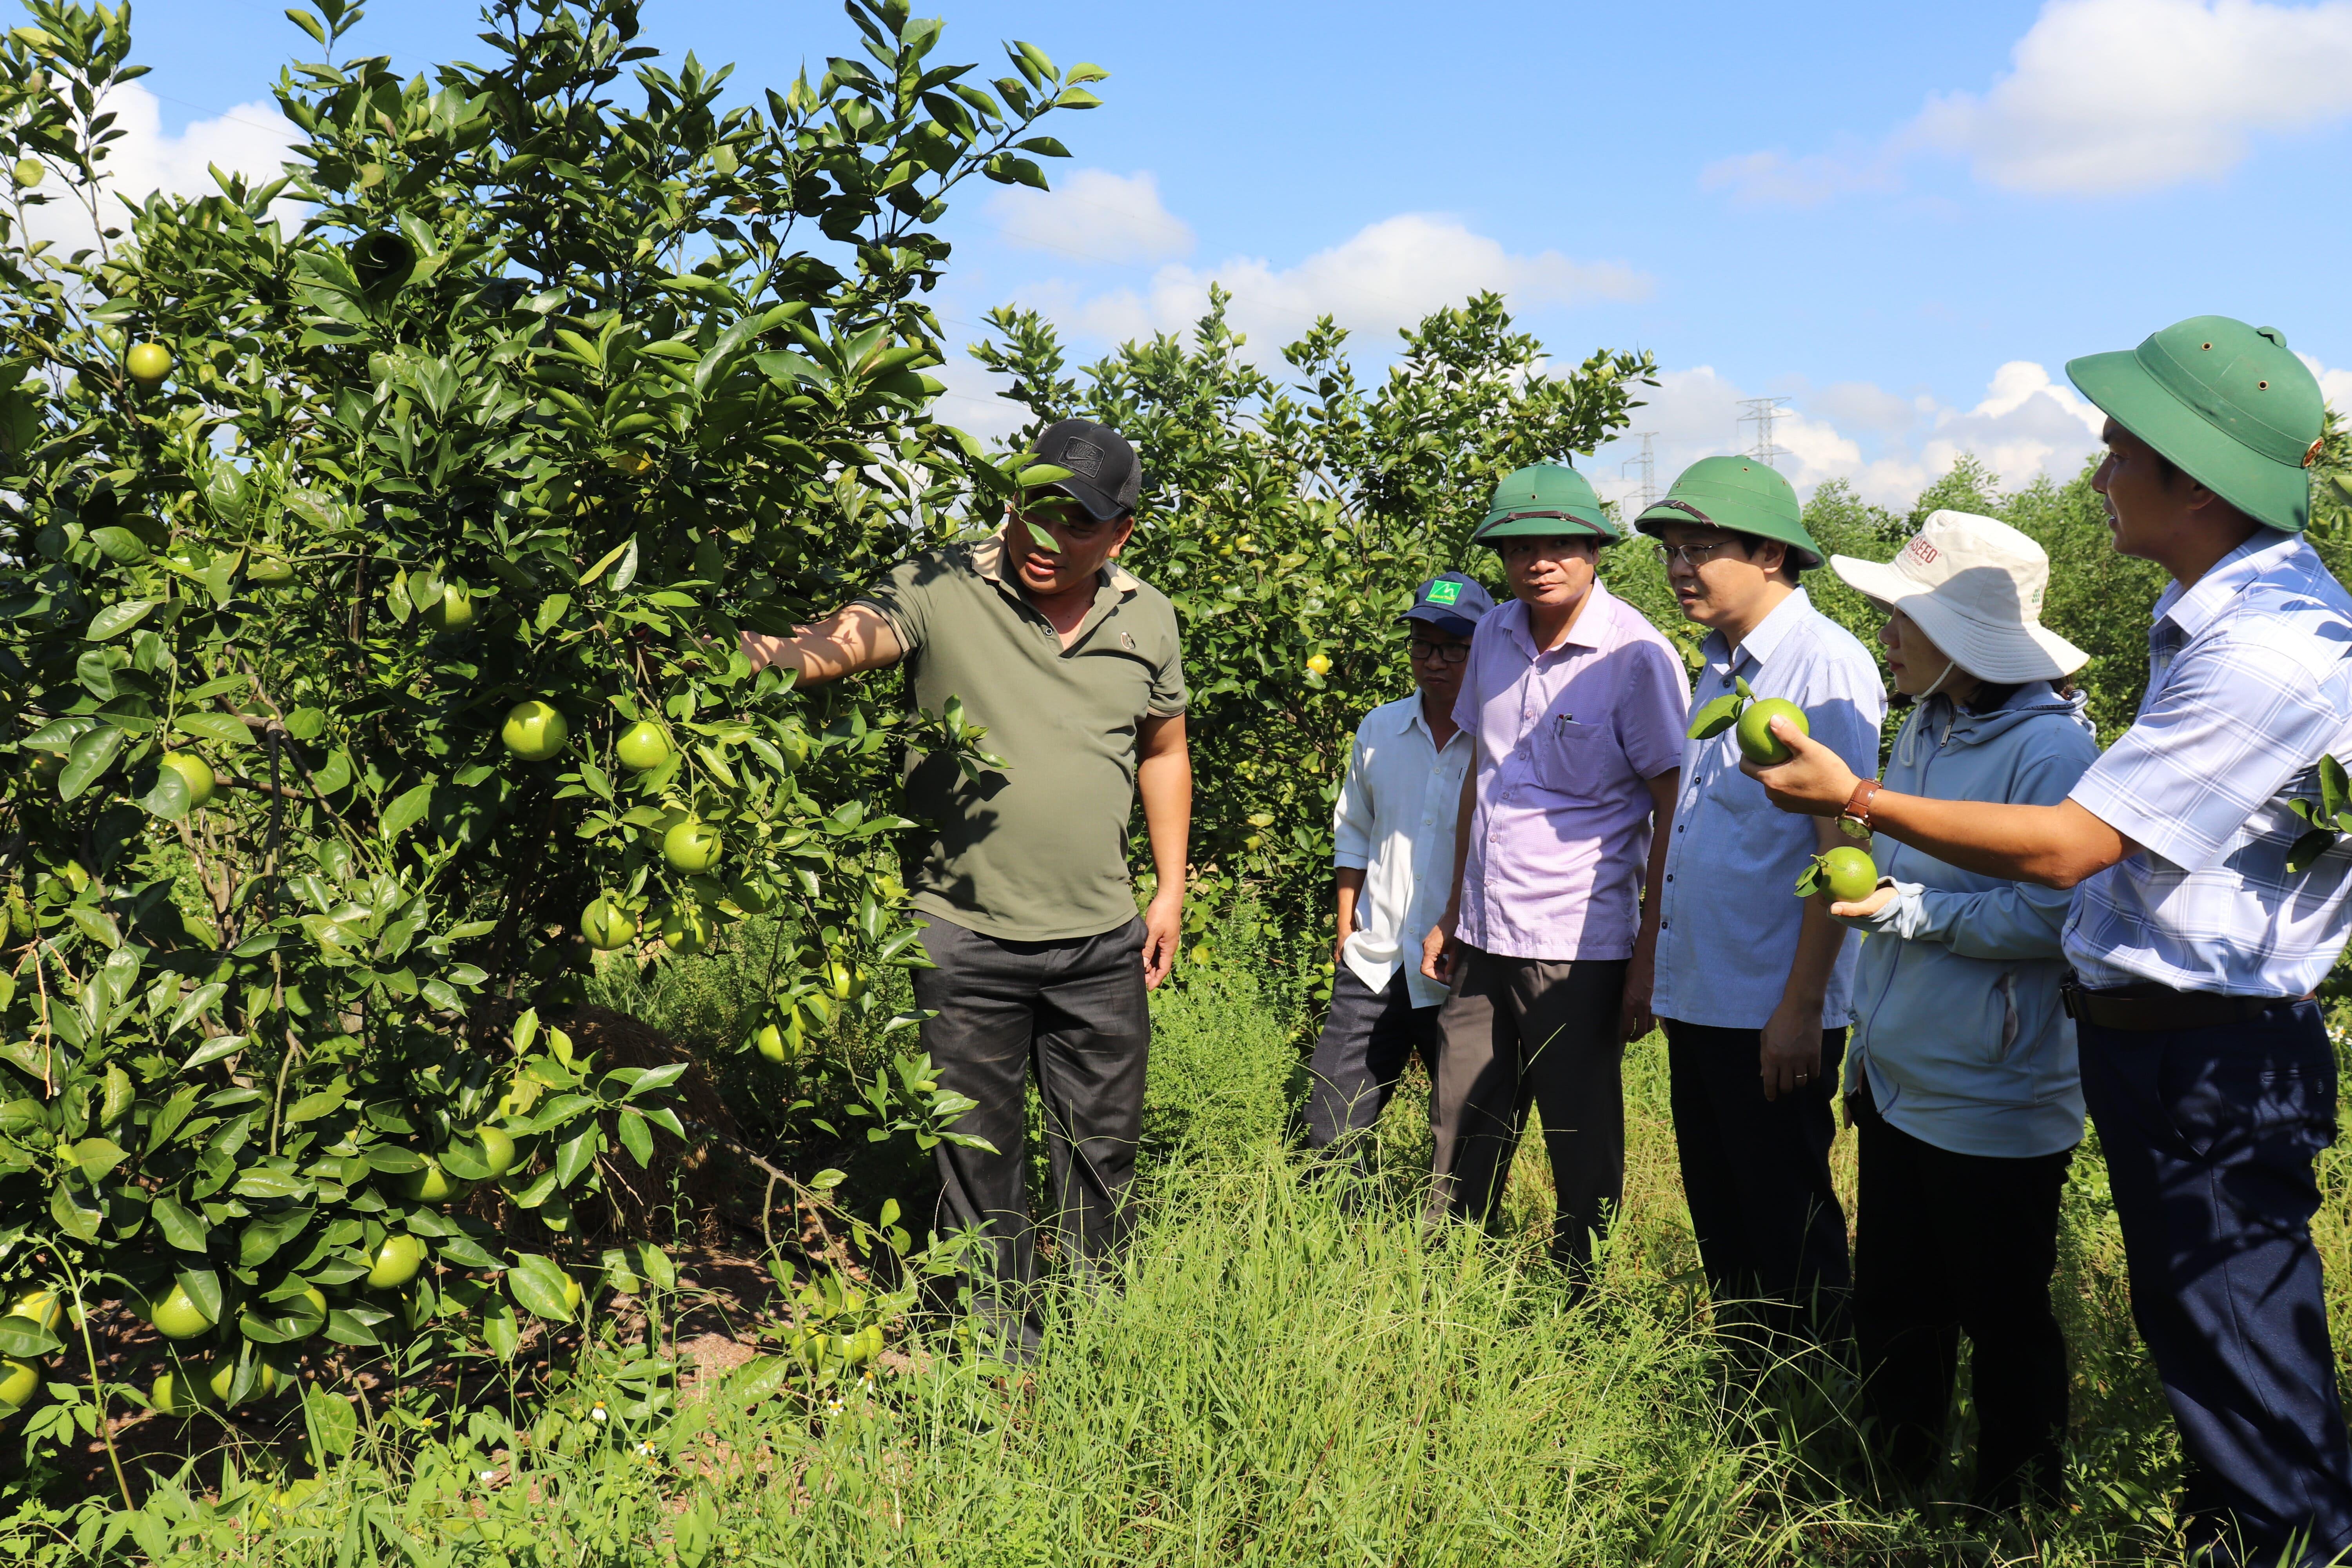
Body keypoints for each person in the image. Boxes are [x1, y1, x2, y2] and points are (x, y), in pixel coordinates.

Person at [1742, 317, 2352, 1565]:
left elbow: (2073, 853)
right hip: (2159, 1043)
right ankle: (2241, 1531)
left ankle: (2287, 1541)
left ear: (2194, 478)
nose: (2098, 473)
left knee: (2234, 1339)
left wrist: (1852, 803)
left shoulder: (2267, 649)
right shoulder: (2208, 623)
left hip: (2210, 1050)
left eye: (2119, 448)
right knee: (2200, 1330)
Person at [735, 418, 1191, 1363]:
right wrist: (758, 655)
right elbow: (847, 638)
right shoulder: (944, 581)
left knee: (1099, 1152)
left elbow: (1164, 749)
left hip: (1100, 936)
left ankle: (1099, 1332)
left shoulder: (1148, 616)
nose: (1044, 536)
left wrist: (1169, 890)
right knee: (978, 1159)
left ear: (1121, 535)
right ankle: (1003, 1355)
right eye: (1034, 506)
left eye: (1077, 521)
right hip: (964, 935)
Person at [1821, 510, 2099, 1509]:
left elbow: (2057, 912)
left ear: (1965, 641)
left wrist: (1908, 910)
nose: (1887, 632)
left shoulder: (2053, 756)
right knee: (1898, 1301)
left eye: (1903, 616)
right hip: (1899, 1077)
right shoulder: (1924, 724)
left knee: (2004, 1312)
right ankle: (1894, 1479)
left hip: (1993, 1093)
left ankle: (2016, 1504)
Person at [1633, 456, 1886, 1357]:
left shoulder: (1827, 667)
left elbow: (1844, 847)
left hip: (1772, 1004)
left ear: (1772, 552)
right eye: (1671, 550)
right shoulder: (1719, 669)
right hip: (1707, 994)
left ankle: (1816, 1403)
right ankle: (1748, 1394)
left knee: (1788, 1218)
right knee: (1725, 1219)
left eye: (1701, 548)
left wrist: (1802, 1006)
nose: (1679, 568)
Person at [1418, 464, 1688, 1285]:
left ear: (1595, 549)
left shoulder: (1637, 655)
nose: (1540, 560)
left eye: (1560, 543)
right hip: (1484, 929)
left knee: (1579, 1132)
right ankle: (1446, 1279)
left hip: (1579, 940)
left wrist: (1649, 949)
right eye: (1521, 546)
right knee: (1459, 1117)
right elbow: (1483, 776)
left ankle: (1582, 1289)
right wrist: (1451, 907)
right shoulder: (1494, 635)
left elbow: (1672, 803)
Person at [1304, 572, 1496, 1194]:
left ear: (1485, 650)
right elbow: (1353, 827)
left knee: (1465, 1135)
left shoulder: (1501, 739)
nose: (1434, 661)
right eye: (1422, 645)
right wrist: (1345, 917)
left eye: (1453, 648)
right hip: (1376, 955)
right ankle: (1329, 1244)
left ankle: (1456, 1256)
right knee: (1330, 1124)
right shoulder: (1380, 729)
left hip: (1461, 965)